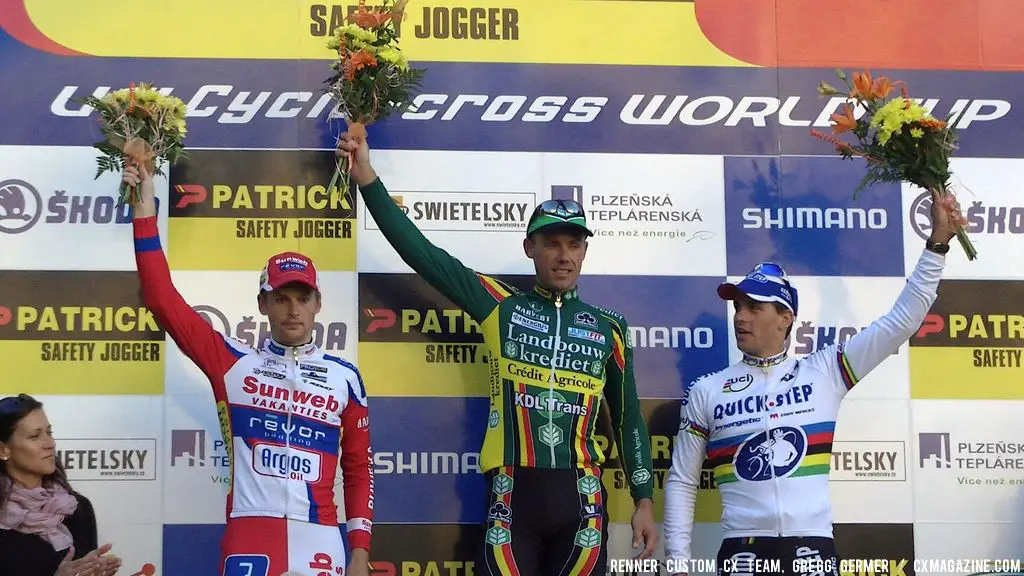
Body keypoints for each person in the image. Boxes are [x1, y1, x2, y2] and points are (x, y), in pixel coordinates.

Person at [335, 133, 658, 575]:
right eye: (552, 244)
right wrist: (367, 178)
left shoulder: (609, 327)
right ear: (530, 248)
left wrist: (643, 500)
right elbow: (423, 255)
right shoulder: (500, 306)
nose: (564, 256)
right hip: (511, 495)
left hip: (582, 498)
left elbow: (627, 419)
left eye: (574, 245)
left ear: (585, 251)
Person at [662, 187, 962, 576]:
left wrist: (937, 245)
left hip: (812, 548)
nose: (741, 316)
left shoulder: (825, 370)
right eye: (738, 306)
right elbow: (683, 481)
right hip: (742, 552)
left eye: (755, 306)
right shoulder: (707, 390)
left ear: (786, 317)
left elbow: (901, 322)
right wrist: (678, 566)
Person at [122, 164, 374, 576]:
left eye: (303, 298)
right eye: (281, 298)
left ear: (317, 304)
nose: (293, 310)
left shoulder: (344, 377)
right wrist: (144, 204)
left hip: (321, 536)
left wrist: (360, 549)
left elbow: (358, 466)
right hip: (251, 529)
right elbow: (161, 298)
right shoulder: (233, 362)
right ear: (263, 304)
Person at [0, 393, 122, 576]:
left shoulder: (78, 508)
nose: (50, 443)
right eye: (35, 436)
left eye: (49, 432)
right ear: (3, 450)